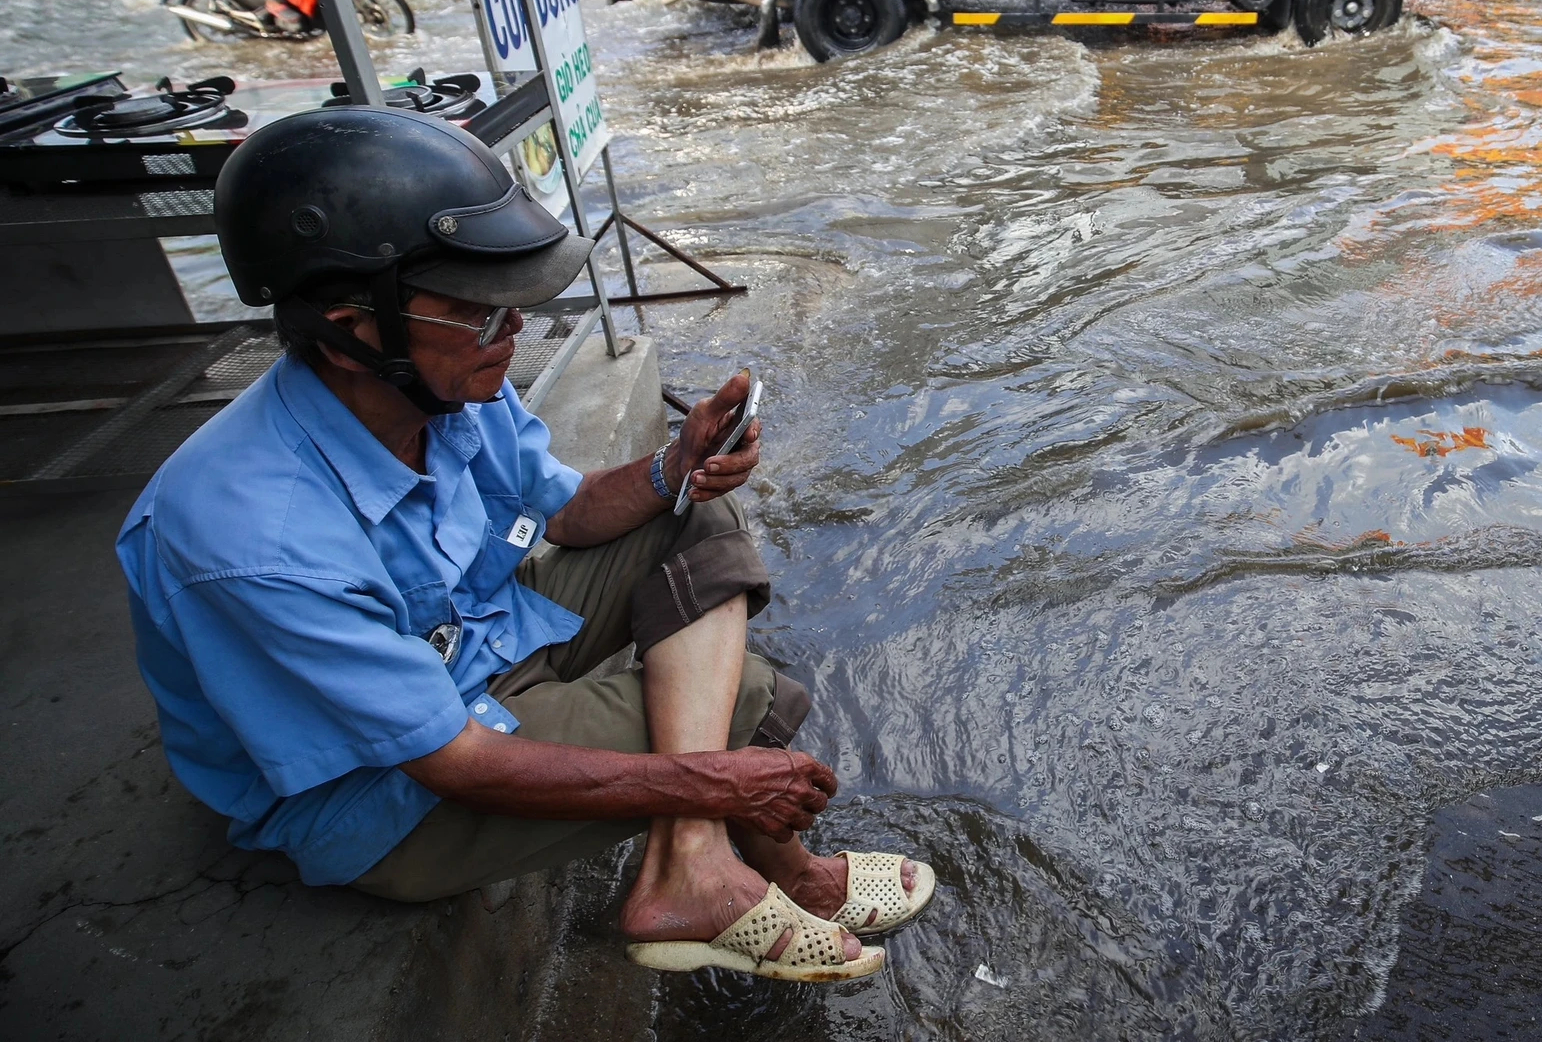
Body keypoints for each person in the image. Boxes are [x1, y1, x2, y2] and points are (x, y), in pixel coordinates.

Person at [118, 108, 934, 982]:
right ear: (356, 329)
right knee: (744, 705)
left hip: (480, 647)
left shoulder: (449, 383)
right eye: (481, 312)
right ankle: (782, 874)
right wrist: (713, 783)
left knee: (695, 517)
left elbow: (573, 510)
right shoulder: (251, 537)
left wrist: (675, 464)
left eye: (514, 305)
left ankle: (692, 867)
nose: (513, 331)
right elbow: (453, 761)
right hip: (387, 794)